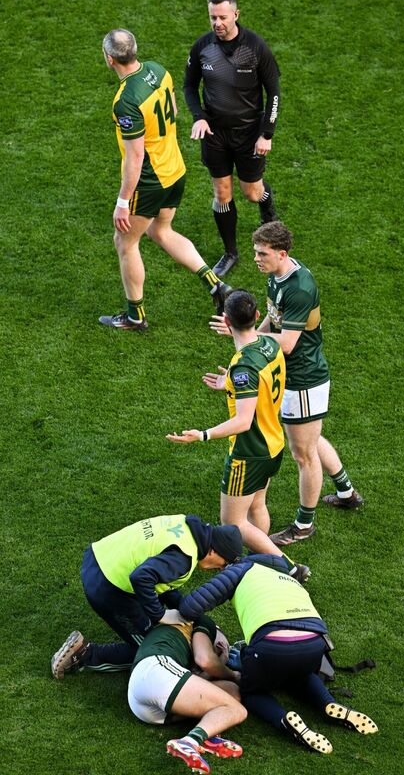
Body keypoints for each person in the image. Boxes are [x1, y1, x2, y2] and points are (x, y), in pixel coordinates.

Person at [210, 221, 364, 546]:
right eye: (254, 252)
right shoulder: (276, 275)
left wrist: (248, 336)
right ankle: (346, 490)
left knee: (303, 452)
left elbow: (289, 342)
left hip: (304, 377)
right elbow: (271, 318)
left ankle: (304, 525)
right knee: (307, 434)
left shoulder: (299, 288)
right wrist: (250, 331)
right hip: (293, 373)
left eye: (261, 253)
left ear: (282, 253)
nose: (256, 258)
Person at [166, 289, 309, 583]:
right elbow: (261, 388)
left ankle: (289, 568)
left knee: (232, 522)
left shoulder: (244, 365)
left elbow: (243, 421)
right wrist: (230, 384)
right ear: (256, 317)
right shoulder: (269, 344)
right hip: (273, 445)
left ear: (227, 322)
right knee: (257, 505)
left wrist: (202, 435)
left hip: (249, 451)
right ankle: (267, 555)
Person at [172, 553, 378, 755]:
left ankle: (284, 719)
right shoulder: (290, 581)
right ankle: (328, 703)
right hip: (315, 643)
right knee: (302, 674)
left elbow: (191, 606)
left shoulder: (243, 569)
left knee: (250, 691)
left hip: (271, 646)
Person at [99, 28, 230, 331]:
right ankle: (215, 285)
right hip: (175, 169)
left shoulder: (125, 101)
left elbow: (135, 158)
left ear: (109, 59)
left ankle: (136, 316)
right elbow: (171, 109)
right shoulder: (158, 70)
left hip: (150, 179)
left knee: (125, 242)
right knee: (161, 230)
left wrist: (122, 202)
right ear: (134, 51)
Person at [51, 514, 242, 678]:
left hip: (98, 557)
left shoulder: (186, 525)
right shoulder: (183, 557)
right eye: (223, 563)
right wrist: (160, 615)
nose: (220, 569)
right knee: (151, 649)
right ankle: (83, 655)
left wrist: (189, 612)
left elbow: (161, 578)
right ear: (213, 550)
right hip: (109, 587)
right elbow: (141, 577)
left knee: (149, 600)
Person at [183, 0, 280, 278]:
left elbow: (273, 91)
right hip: (214, 133)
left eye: (223, 17)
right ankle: (230, 253)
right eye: (213, 17)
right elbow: (189, 86)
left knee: (251, 192)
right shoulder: (202, 47)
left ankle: (267, 208)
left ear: (235, 15)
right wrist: (199, 117)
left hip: (249, 133)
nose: (217, 23)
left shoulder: (255, 47)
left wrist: (267, 133)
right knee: (221, 193)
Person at [128, 613, 246, 774]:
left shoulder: (178, 641)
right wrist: (231, 673)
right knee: (237, 710)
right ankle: (191, 741)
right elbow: (205, 660)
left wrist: (221, 663)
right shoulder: (203, 623)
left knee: (231, 692)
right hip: (157, 669)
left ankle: (208, 735)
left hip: (146, 701)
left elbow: (198, 683)